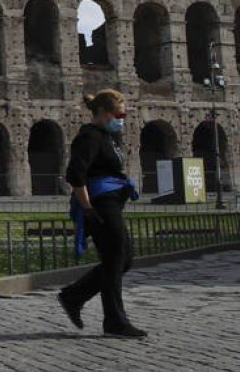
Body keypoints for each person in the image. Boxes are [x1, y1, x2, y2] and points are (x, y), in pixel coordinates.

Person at [57, 89, 146, 338]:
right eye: (120, 113)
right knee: (116, 259)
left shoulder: (108, 135)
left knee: (122, 259)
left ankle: (74, 296)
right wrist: (87, 208)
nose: (123, 118)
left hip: (111, 202)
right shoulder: (89, 137)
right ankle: (115, 321)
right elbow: (75, 174)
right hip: (99, 204)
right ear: (105, 113)